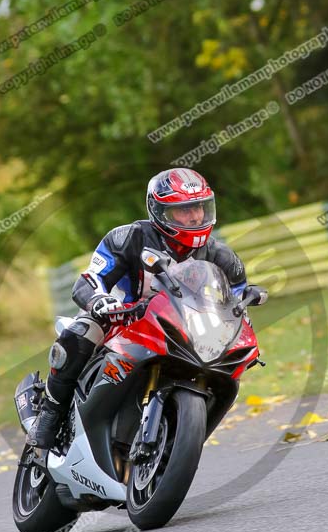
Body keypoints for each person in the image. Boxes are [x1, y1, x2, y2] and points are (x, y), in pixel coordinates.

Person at [27, 167, 248, 448]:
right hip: (121, 319)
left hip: (180, 327)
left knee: (227, 371)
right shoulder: (128, 238)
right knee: (80, 333)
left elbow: (237, 298)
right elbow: (89, 280)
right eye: (185, 210)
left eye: (200, 208)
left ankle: (178, 437)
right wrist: (99, 301)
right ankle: (51, 413)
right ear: (160, 212)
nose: (195, 217)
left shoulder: (221, 255)